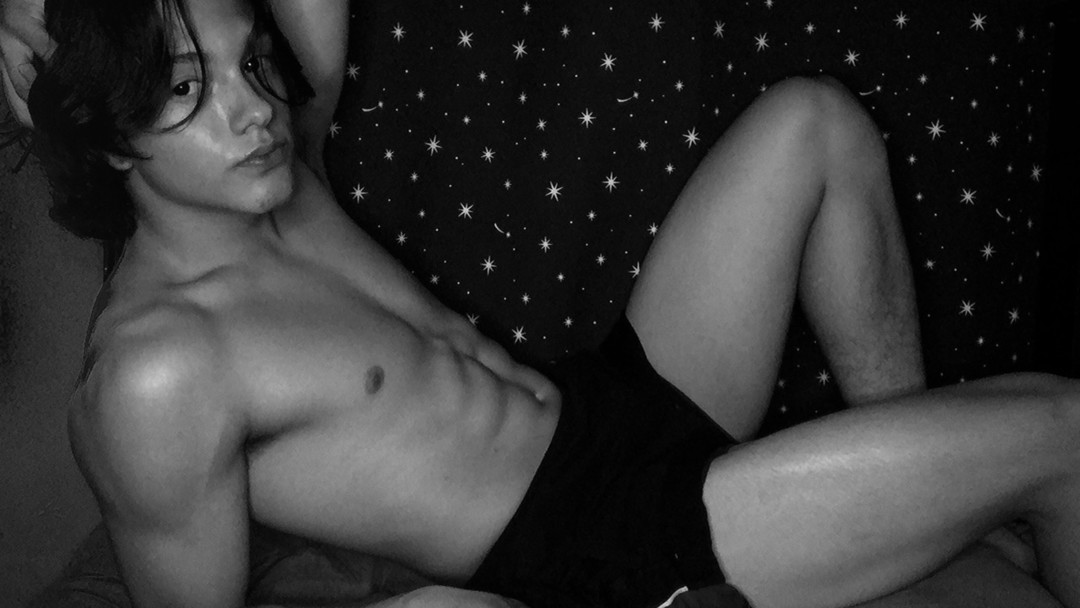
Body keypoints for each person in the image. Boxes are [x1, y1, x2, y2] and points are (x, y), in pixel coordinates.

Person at [4, 0, 1079, 606]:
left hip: (608, 404)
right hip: (611, 549)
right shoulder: (155, 373)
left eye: (249, 65)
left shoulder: (277, 182)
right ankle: (951, 498)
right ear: (105, 136)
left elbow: (310, 41)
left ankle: (928, 501)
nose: (250, 110)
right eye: (187, 89)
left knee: (815, 123)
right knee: (1062, 428)